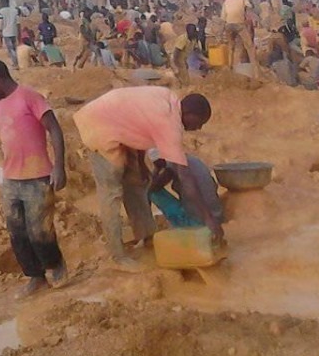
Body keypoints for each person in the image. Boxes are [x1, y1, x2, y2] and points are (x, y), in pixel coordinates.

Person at [73, 87, 223, 271]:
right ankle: (117, 256)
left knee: (137, 184)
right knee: (111, 194)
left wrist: (141, 165)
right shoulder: (169, 123)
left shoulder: (170, 101)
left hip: (116, 124)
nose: (198, 128)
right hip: (99, 125)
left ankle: (147, 237)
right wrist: (208, 219)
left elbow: (138, 126)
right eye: (199, 122)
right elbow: (185, 178)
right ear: (190, 113)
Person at [0, 59, 68, 296]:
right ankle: (35, 277)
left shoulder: (29, 97)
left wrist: (59, 166)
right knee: (17, 232)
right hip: (11, 179)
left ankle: (55, 267)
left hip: (37, 177)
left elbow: (54, 129)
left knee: (40, 230)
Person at [147, 149, 224, 228]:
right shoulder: (191, 160)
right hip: (216, 215)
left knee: (154, 193)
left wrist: (157, 169)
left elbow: (152, 188)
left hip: (200, 221)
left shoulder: (173, 165)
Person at [221, 0, 259, 78]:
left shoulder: (227, 1)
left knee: (231, 47)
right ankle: (255, 71)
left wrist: (221, 32)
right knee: (250, 46)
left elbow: (223, 18)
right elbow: (250, 7)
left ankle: (229, 68)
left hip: (228, 25)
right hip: (239, 24)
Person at [0, 0, 20, 70]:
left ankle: (15, 63)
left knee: (10, 49)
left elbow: (0, 23)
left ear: (3, 2)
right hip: (14, 31)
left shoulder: (1, 11)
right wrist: (19, 33)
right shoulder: (15, 11)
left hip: (6, 33)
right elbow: (18, 23)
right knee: (14, 48)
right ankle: (16, 61)